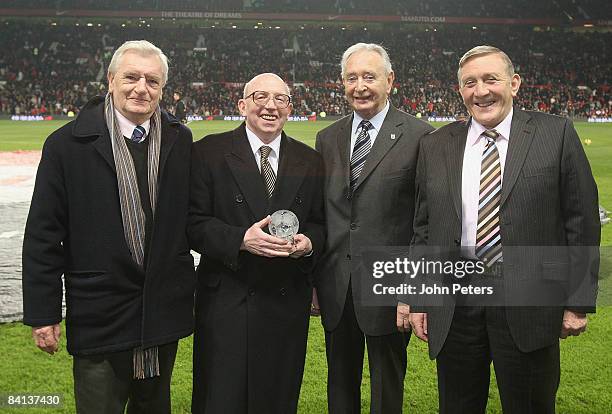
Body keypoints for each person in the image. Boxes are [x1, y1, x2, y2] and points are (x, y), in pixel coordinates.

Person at [403, 45, 600, 413]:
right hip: (457, 306)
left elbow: (581, 222)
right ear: (460, 91)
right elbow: (424, 229)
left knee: (530, 405)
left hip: (529, 304)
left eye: (491, 79)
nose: (481, 91)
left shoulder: (555, 134)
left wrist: (576, 301)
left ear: (514, 84)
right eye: (470, 83)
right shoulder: (435, 146)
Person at [22, 40, 196, 413]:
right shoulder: (66, 145)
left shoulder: (180, 139)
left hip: (160, 309)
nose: (141, 88)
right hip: (101, 311)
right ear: (111, 80)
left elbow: (191, 218)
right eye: (131, 77)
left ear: (163, 89)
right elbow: (43, 235)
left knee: (154, 406)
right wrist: (44, 313)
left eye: (152, 81)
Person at [188, 73, 325, 413]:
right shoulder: (208, 152)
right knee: (221, 399)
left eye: (280, 99)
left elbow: (322, 223)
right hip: (226, 301)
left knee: (276, 399)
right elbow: (191, 223)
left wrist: (308, 243)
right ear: (242, 104)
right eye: (260, 96)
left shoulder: (310, 160)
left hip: (285, 302)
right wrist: (240, 240)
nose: (270, 106)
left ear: (290, 108)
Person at [314, 43, 434, 413]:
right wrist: (313, 281)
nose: (360, 86)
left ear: (390, 81)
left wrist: (414, 290)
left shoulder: (421, 135)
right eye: (352, 78)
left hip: (391, 286)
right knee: (340, 386)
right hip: (337, 285)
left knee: (387, 387)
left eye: (370, 76)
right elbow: (323, 215)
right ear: (342, 83)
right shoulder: (327, 138)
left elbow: (425, 222)